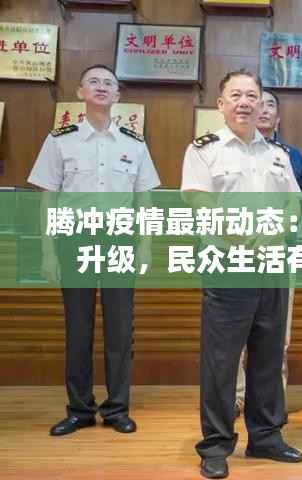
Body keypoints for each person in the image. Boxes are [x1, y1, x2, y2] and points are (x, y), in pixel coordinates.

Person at [181, 69, 302, 479]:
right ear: (221, 104)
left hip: (272, 264)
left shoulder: (276, 154)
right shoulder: (204, 150)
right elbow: (198, 202)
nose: (245, 102)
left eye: (252, 95)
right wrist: (241, 234)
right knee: (222, 360)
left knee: (268, 354)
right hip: (228, 263)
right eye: (236, 95)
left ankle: (266, 437)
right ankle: (216, 445)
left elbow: (294, 204)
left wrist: (274, 230)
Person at [27, 64, 160, 436]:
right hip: (75, 239)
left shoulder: (134, 143)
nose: (102, 87)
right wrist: (48, 252)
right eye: (94, 82)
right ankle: (79, 409)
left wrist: (146, 246)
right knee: (78, 327)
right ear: (80, 92)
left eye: (109, 83)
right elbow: (47, 200)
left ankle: (117, 409)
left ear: (117, 95)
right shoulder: (60, 140)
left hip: (120, 239)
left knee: (120, 328)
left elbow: (145, 199)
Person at [235, 89, 302, 421]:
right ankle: (236, 398)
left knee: (279, 335)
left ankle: (271, 401)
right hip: (235, 254)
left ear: (278, 117)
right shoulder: (224, 150)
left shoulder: (290, 156)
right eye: (258, 103)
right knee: (235, 335)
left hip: (279, 254)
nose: (263, 109)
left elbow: (297, 205)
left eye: (270, 105)